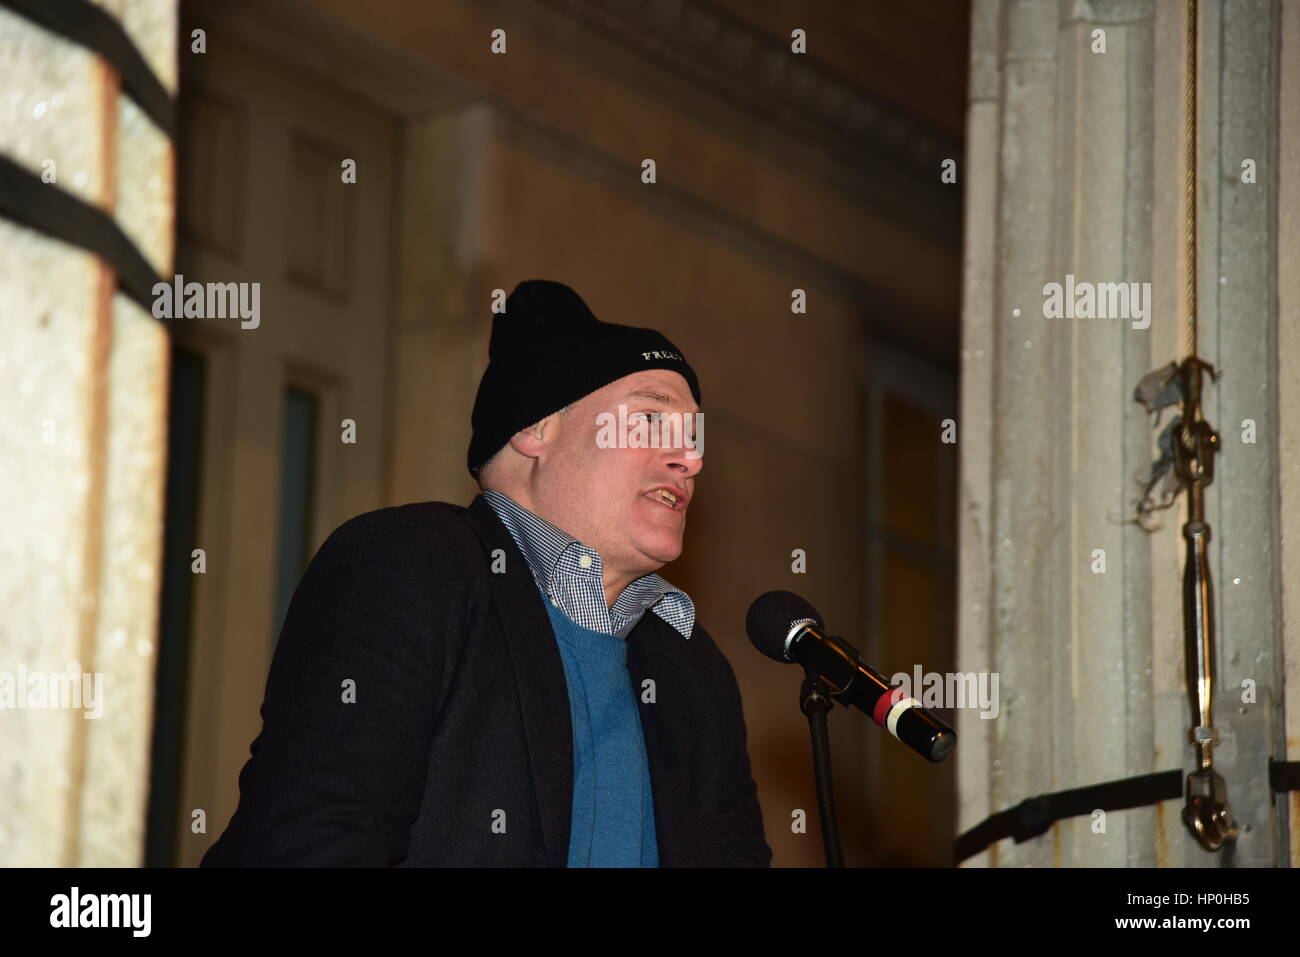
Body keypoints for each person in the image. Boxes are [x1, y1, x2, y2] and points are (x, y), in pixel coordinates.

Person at [201, 279, 771, 867]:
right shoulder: (408, 566)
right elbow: (315, 843)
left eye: (693, 436)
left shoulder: (694, 671)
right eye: (651, 419)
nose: (690, 458)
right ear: (535, 428)